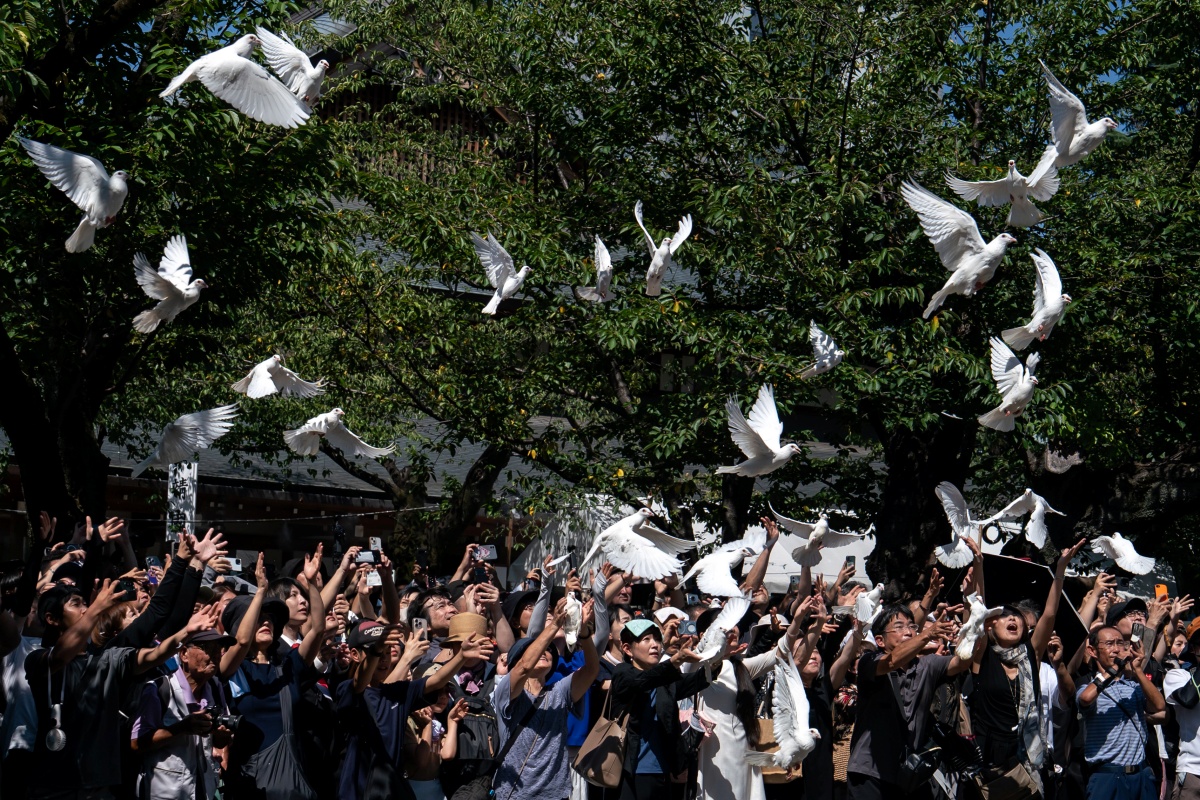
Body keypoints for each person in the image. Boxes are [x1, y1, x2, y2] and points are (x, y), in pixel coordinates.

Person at [968, 539, 1085, 796]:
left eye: (1018, 617)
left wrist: (1061, 570)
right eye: (1005, 615)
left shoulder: (1029, 656)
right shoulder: (982, 657)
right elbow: (976, 609)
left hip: (1028, 760)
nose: (1013, 618)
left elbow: (1050, 614)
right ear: (990, 626)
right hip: (991, 763)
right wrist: (978, 565)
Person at [221, 550, 326, 800]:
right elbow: (243, 641)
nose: (266, 623)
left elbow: (318, 629)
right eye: (259, 618)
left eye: (270, 619)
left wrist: (311, 584)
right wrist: (260, 591)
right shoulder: (231, 669)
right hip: (248, 783)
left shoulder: (287, 667)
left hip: (293, 782)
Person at [845, 602, 974, 799]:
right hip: (869, 771)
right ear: (880, 640)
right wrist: (927, 635)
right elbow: (893, 660)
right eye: (899, 626)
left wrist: (975, 627)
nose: (908, 630)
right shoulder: (868, 662)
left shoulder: (927, 665)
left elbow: (962, 662)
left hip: (909, 774)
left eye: (912, 626)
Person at [492, 597, 598, 800]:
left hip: (556, 794)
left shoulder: (559, 691)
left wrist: (583, 631)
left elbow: (592, 669)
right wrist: (554, 625)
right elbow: (524, 667)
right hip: (514, 793)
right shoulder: (507, 689)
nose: (545, 652)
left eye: (549, 651)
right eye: (538, 650)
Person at [129, 628, 237, 800]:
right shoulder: (159, 689)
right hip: (165, 792)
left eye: (219, 649)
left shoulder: (215, 688)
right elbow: (137, 743)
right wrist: (183, 728)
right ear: (184, 654)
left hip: (206, 789)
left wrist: (222, 737)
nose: (216, 655)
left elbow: (219, 742)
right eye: (207, 648)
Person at [608, 616, 709, 800]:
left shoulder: (666, 680)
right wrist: (675, 660)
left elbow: (699, 680)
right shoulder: (622, 673)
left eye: (657, 639)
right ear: (627, 649)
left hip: (662, 772)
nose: (654, 644)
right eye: (646, 639)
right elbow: (643, 681)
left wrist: (718, 656)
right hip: (631, 773)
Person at [1077, 626, 1166, 800]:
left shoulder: (1133, 686)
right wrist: (1114, 669)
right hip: (1107, 776)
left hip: (1140, 774)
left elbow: (1159, 706)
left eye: (1120, 643)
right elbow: (1086, 698)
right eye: (1109, 644)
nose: (1117, 649)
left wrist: (1138, 670)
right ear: (1092, 651)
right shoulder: (1087, 686)